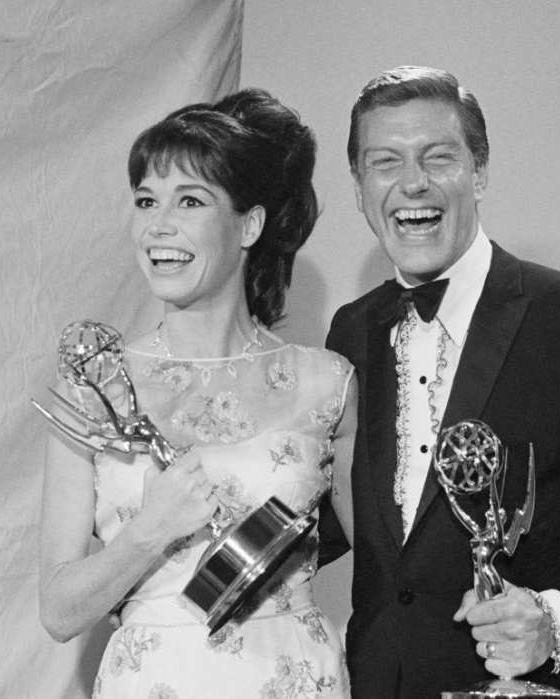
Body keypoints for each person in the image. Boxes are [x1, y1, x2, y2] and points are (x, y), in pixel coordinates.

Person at [318, 66, 560, 699]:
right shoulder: (351, 332)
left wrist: (557, 620)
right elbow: (336, 518)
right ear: (359, 187)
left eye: (437, 157)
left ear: (478, 172)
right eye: (384, 162)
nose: (411, 183)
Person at [39, 88, 357, 699]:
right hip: (154, 679)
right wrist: (149, 530)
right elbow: (58, 612)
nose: (159, 225)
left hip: (291, 675)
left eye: (189, 200)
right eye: (146, 201)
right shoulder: (96, 384)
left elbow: (393, 569)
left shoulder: (327, 384)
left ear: (249, 224)